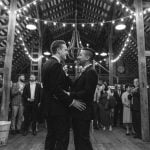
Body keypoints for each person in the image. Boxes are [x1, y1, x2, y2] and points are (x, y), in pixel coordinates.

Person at [41, 40, 86, 150]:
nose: (67, 52)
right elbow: (56, 89)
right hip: (57, 109)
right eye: (65, 50)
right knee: (62, 139)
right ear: (58, 50)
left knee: (51, 137)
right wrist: (72, 102)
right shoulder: (55, 65)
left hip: (50, 108)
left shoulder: (48, 63)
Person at [68, 47, 98, 150]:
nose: (78, 57)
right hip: (78, 111)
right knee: (78, 139)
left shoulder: (91, 72)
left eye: (80, 55)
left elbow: (87, 92)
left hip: (83, 110)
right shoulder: (84, 71)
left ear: (88, 57)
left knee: (83, 140)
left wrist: (70, 95)